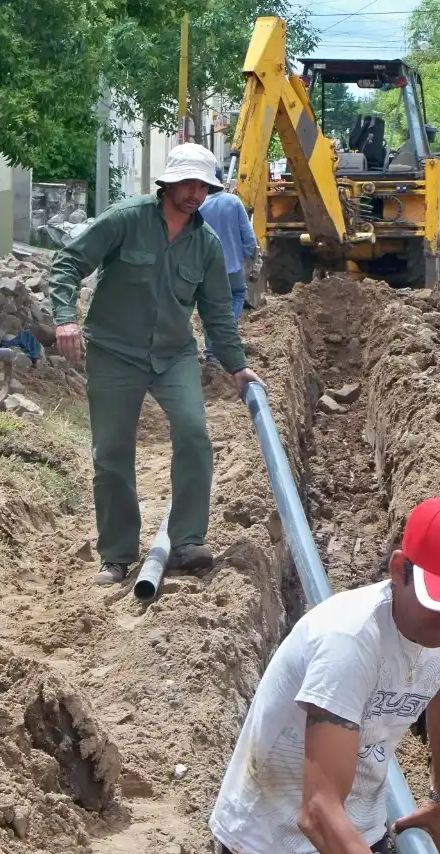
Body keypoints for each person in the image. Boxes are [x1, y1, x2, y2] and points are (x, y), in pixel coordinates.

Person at [210, 495, 440, 854]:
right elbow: (318, 813)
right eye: (439, 599)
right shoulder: (348, 642)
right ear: (400, 569)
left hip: (362, 840)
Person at [49, 143, 263, 586]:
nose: (194, 194)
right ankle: (117, 554)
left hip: (173, 355)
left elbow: (218, 314)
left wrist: (237, 366)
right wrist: (65, 319)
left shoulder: (206, 244)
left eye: (203, 186)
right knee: (111, 454)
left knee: (193, 434)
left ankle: (186, 540)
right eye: (187, 183)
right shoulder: (127, 220)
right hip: (113, 351)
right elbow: (69, 261)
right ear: (168, 183)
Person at [198, 167, 258, 364]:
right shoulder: (233, 202)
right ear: (222, 181)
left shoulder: (198, 206)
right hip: (232, 266)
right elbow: (248, 236)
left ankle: (211, 355)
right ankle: (227, 331)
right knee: (238, 294)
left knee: (209, 309)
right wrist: (250, 257)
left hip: (206, 269)